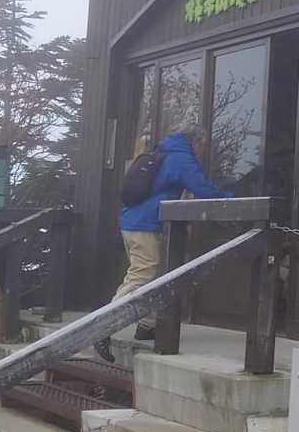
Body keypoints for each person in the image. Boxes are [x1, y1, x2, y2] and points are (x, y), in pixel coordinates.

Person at [95, 125, 230, 362]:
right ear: (195, 142)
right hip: (144, 225)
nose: (203, 152)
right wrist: (233, 199)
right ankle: (102, 328)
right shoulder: (181, 158)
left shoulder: (164, 151)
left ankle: (147, 325)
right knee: (141, 276)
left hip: (133, 222)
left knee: (153, 274)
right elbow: (203, 188)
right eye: (203, 147)